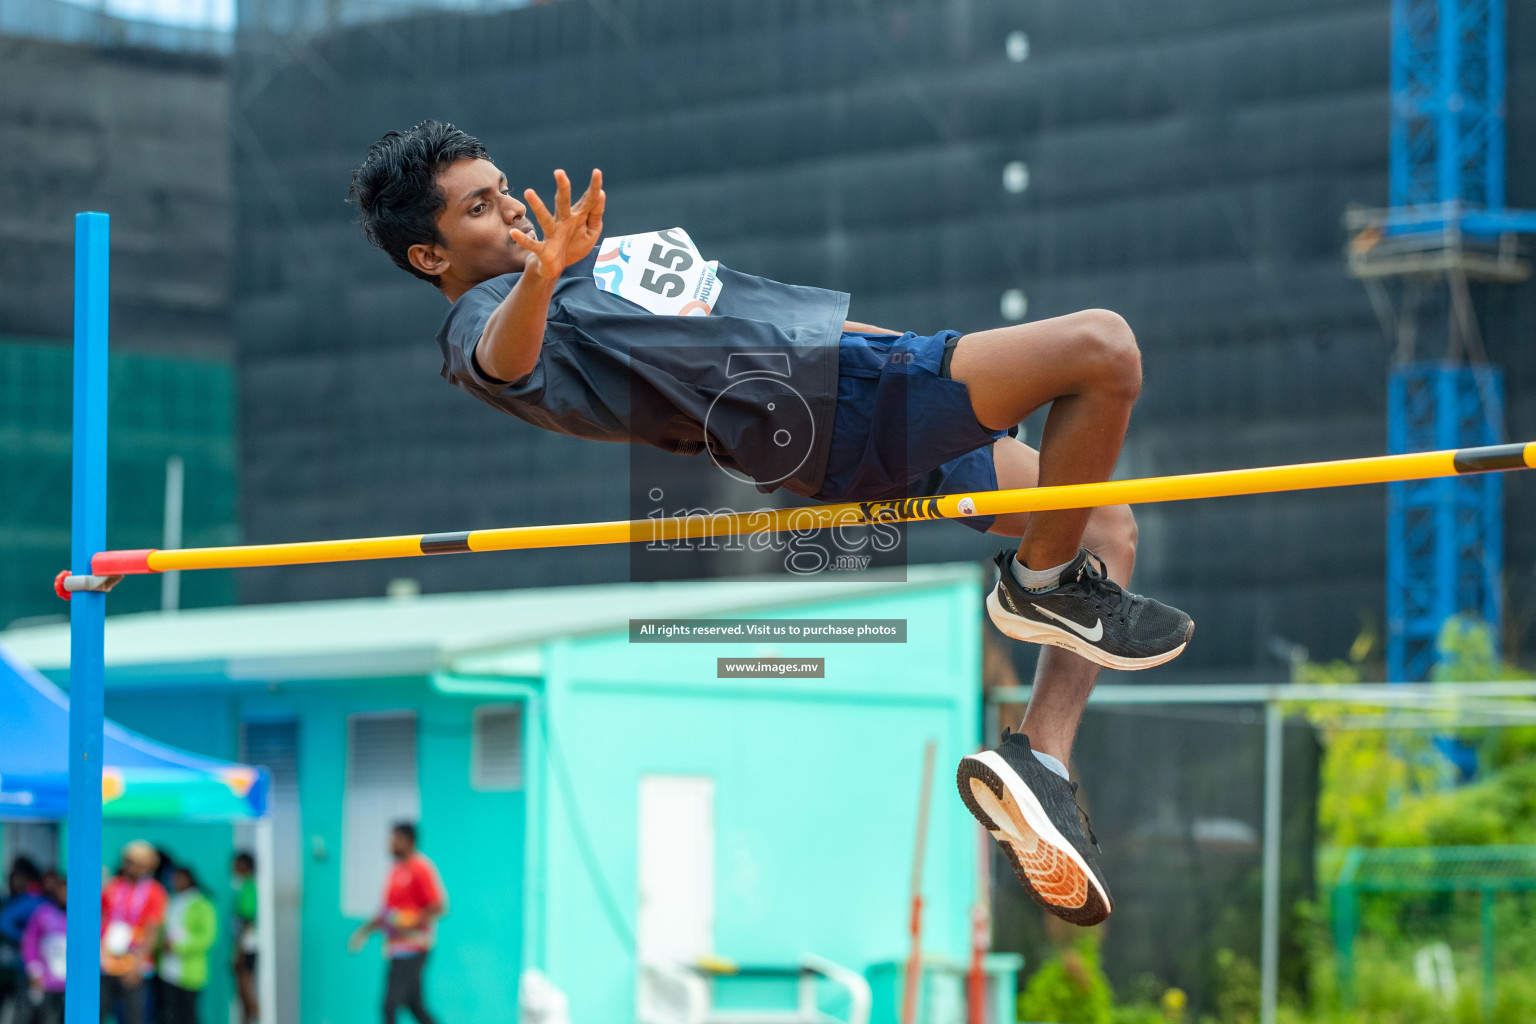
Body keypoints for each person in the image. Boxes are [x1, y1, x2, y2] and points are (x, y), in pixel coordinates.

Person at [347, 121, 1196, 927]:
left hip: (857, 379)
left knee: (1103, 527)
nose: (508, 211)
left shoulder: (589, 263)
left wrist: (938, 368)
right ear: (431, 254)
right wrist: (543, 273)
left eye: (502, 191)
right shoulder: (481, 320)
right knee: (1106, 348)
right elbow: (508, 356)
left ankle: (1040, 762)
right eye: (477, 208)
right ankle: (1040, 590)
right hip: (826, 410)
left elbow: (772, 312)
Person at [348, 823, 447, 1024]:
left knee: (389, 1005)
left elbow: (438, 906)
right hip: (396, 948)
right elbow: (386, 913)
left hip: (414, 947)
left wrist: (411, 922)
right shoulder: (394, 871)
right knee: (415, 1006)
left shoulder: (421, 868)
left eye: (395, 839)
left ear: (408, 841)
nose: (390, 844)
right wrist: (363, 931)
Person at [100, 842, 167, 1024]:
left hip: (135, 966)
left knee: (134, 1017)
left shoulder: (155, 892)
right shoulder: (112, 887)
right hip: (107, 963)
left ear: (147, 866)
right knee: (98, 1013)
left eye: (136, 862)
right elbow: (101, 920)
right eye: (128, 861)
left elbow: (152, 931)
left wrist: (137, 964)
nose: (130, 866)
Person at [156, 867, 215, 1024]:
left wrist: (178, 946)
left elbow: (206, 937)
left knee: (188, 1015)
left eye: (179, 878)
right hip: (168, 969)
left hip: (190, 971)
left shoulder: (202, 904)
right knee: (171, 1015)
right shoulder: (172, 901)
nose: (175, 882)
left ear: (189, 879)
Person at [2, 859, 49, 1024]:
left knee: (27, 1013)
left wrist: (26, 938)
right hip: (36, 967)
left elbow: (4, 923)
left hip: (33, 968)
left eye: (14, 876)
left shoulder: (31, 900)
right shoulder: (41, 900)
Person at [19, 874, 66, 1024]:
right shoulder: (43, 913)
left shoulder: (80, 916)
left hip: (70, 982)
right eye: (62, 890)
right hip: (48, 981)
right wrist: (34, 970)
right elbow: (30, 941)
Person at [229, 853, 259, 1024]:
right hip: (243, 944)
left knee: (246, 990)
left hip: (247, 945)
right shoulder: (243, 886)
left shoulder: (248, 886)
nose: (233, 868)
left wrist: (238, 949)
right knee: (242, 991)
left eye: (237, 864)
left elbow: (246, 919)